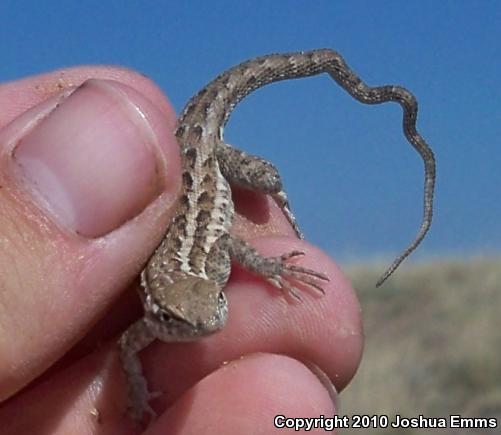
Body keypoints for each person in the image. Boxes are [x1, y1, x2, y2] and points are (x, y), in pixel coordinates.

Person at [0, 66, 362, 434]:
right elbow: (127, 348)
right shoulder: (157, 319)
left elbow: (226, 242)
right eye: (186, 319)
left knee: (267, 181)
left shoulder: (208, 274)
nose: (211, 323)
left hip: (205, 157)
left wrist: (268, 268)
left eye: (218, 304)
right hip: (183, 171)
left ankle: (281, 180)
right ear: (158, 314)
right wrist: (137, 393)